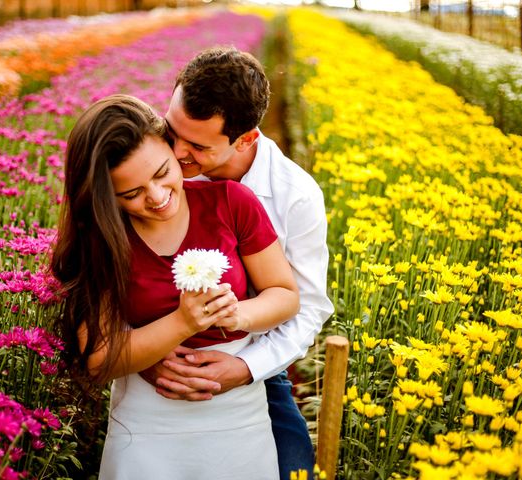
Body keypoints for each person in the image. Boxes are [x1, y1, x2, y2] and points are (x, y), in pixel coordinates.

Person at [50, 94, 299, 479]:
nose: (156, 196)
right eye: (131, 194)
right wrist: (183, 323)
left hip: (238, 419)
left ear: (171, 146)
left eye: (163, 172)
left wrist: (237, 313)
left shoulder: (232, 202)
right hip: (146, 425)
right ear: (104, 198)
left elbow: (284, 295)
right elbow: (99, 360)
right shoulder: (102, 238)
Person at [140, 47, 334, 479]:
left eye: (198, 147)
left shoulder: (295, 196)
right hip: (153, 360)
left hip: (253, 364)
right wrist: (142, 351)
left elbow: (309, 307)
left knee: (293, 470)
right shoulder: (151, 167)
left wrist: (245, 369)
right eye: (173, 131)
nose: (176, 152)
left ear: (245, 138)